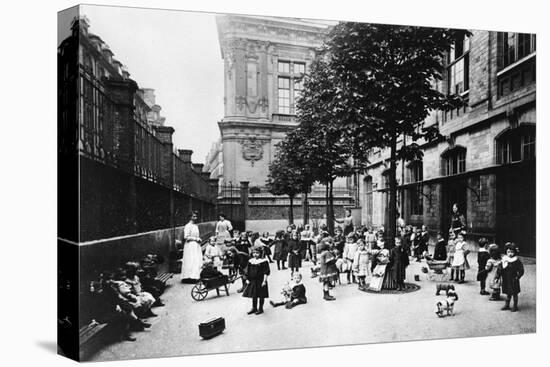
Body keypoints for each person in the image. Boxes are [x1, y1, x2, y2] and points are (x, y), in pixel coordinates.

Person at [243, 246, 270, 315]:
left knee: (261, 295)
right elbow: (247, 271)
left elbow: (266, 272)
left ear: (260, 253)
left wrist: (264, 281)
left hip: (260, 281)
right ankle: (254, 308)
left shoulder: (264, 261)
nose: (255, 254)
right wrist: (247, 279)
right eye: (254, 253)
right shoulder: (251, 261)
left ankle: (260, 308)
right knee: (254, 295)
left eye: (257, 253)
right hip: (252, 280)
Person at [500, 243, 524, 312]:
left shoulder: (516, 260)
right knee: (508, 292)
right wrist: (497, 276)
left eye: (512, 252)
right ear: (506, 252)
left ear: (515, 252)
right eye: (508, 252)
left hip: (513, 279)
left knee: (514, 293)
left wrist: (517, 276)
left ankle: (515, 306)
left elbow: (521, 270)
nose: (510, 254)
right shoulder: (505, 259)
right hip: (506, 279)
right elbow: (500, 268)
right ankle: (507, 304)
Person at [180, 211, 203, 282]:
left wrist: (198, 239)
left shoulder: (195, 226)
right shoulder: (188, 226)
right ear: (190, 217)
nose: (195, 218)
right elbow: (186, 237)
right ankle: (188, 276)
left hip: (196, 246)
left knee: (196, 260)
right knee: (190, 260)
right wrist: (195, 239)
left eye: (196, 216)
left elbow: (197, 235)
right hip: (190, 245)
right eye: (194, 216)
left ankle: (195, 276)